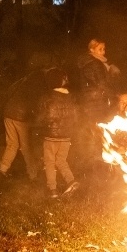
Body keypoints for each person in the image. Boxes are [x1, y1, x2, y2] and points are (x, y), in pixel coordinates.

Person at [76, 39, 119, 171]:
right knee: (98, 134)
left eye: (104, 49)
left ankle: (96, 164)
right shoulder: (94, 64)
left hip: (93, 103)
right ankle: (97, 166)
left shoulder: (94, 63)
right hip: (96, 104)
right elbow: (102, 85)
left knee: (96, 134)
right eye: (100, 49)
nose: (103, 52)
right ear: (92, 50)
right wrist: (115, 96)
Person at [36, 68, 79, 198]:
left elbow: (42, 117)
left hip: (51, 136)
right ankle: (71, 181)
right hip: (66, 136)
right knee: (61, 160)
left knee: (49, 162)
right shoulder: (71, 97)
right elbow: (76, 117)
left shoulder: (47, 97)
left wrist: (39, 126)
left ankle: (52, 189)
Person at [0, 69, 46, 181]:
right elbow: (35, 103)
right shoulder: (36, 85)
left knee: (12, 144)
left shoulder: (21, 82)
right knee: (26, 146)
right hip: (21, 116)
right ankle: (33, 174)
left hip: (8, 113)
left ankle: (3, 169)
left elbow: (8, 94)